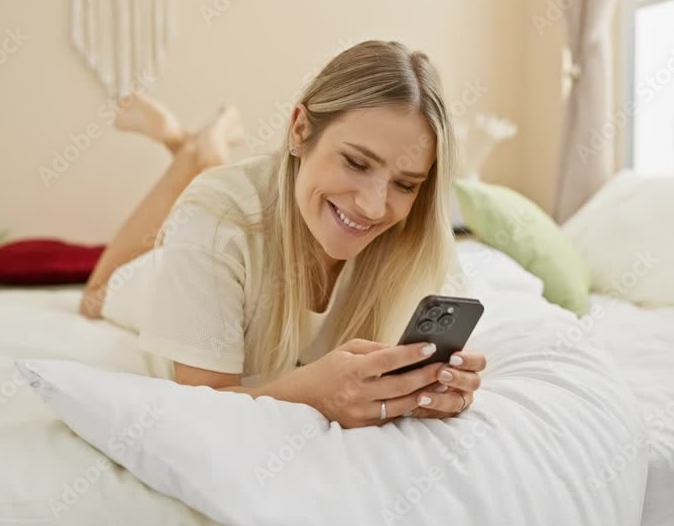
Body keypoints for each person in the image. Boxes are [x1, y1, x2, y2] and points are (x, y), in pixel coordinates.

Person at [79, 40, 486, 429]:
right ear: (299, 129)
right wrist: (315, 395)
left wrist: (444, 389)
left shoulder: (418, 235)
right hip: (168, 271)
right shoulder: (215, 219)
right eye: (357, 163)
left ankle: (202, 150)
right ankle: (194, 153)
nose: (374, 207)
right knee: (96, 295)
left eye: (405, 184)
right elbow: (202, 402)